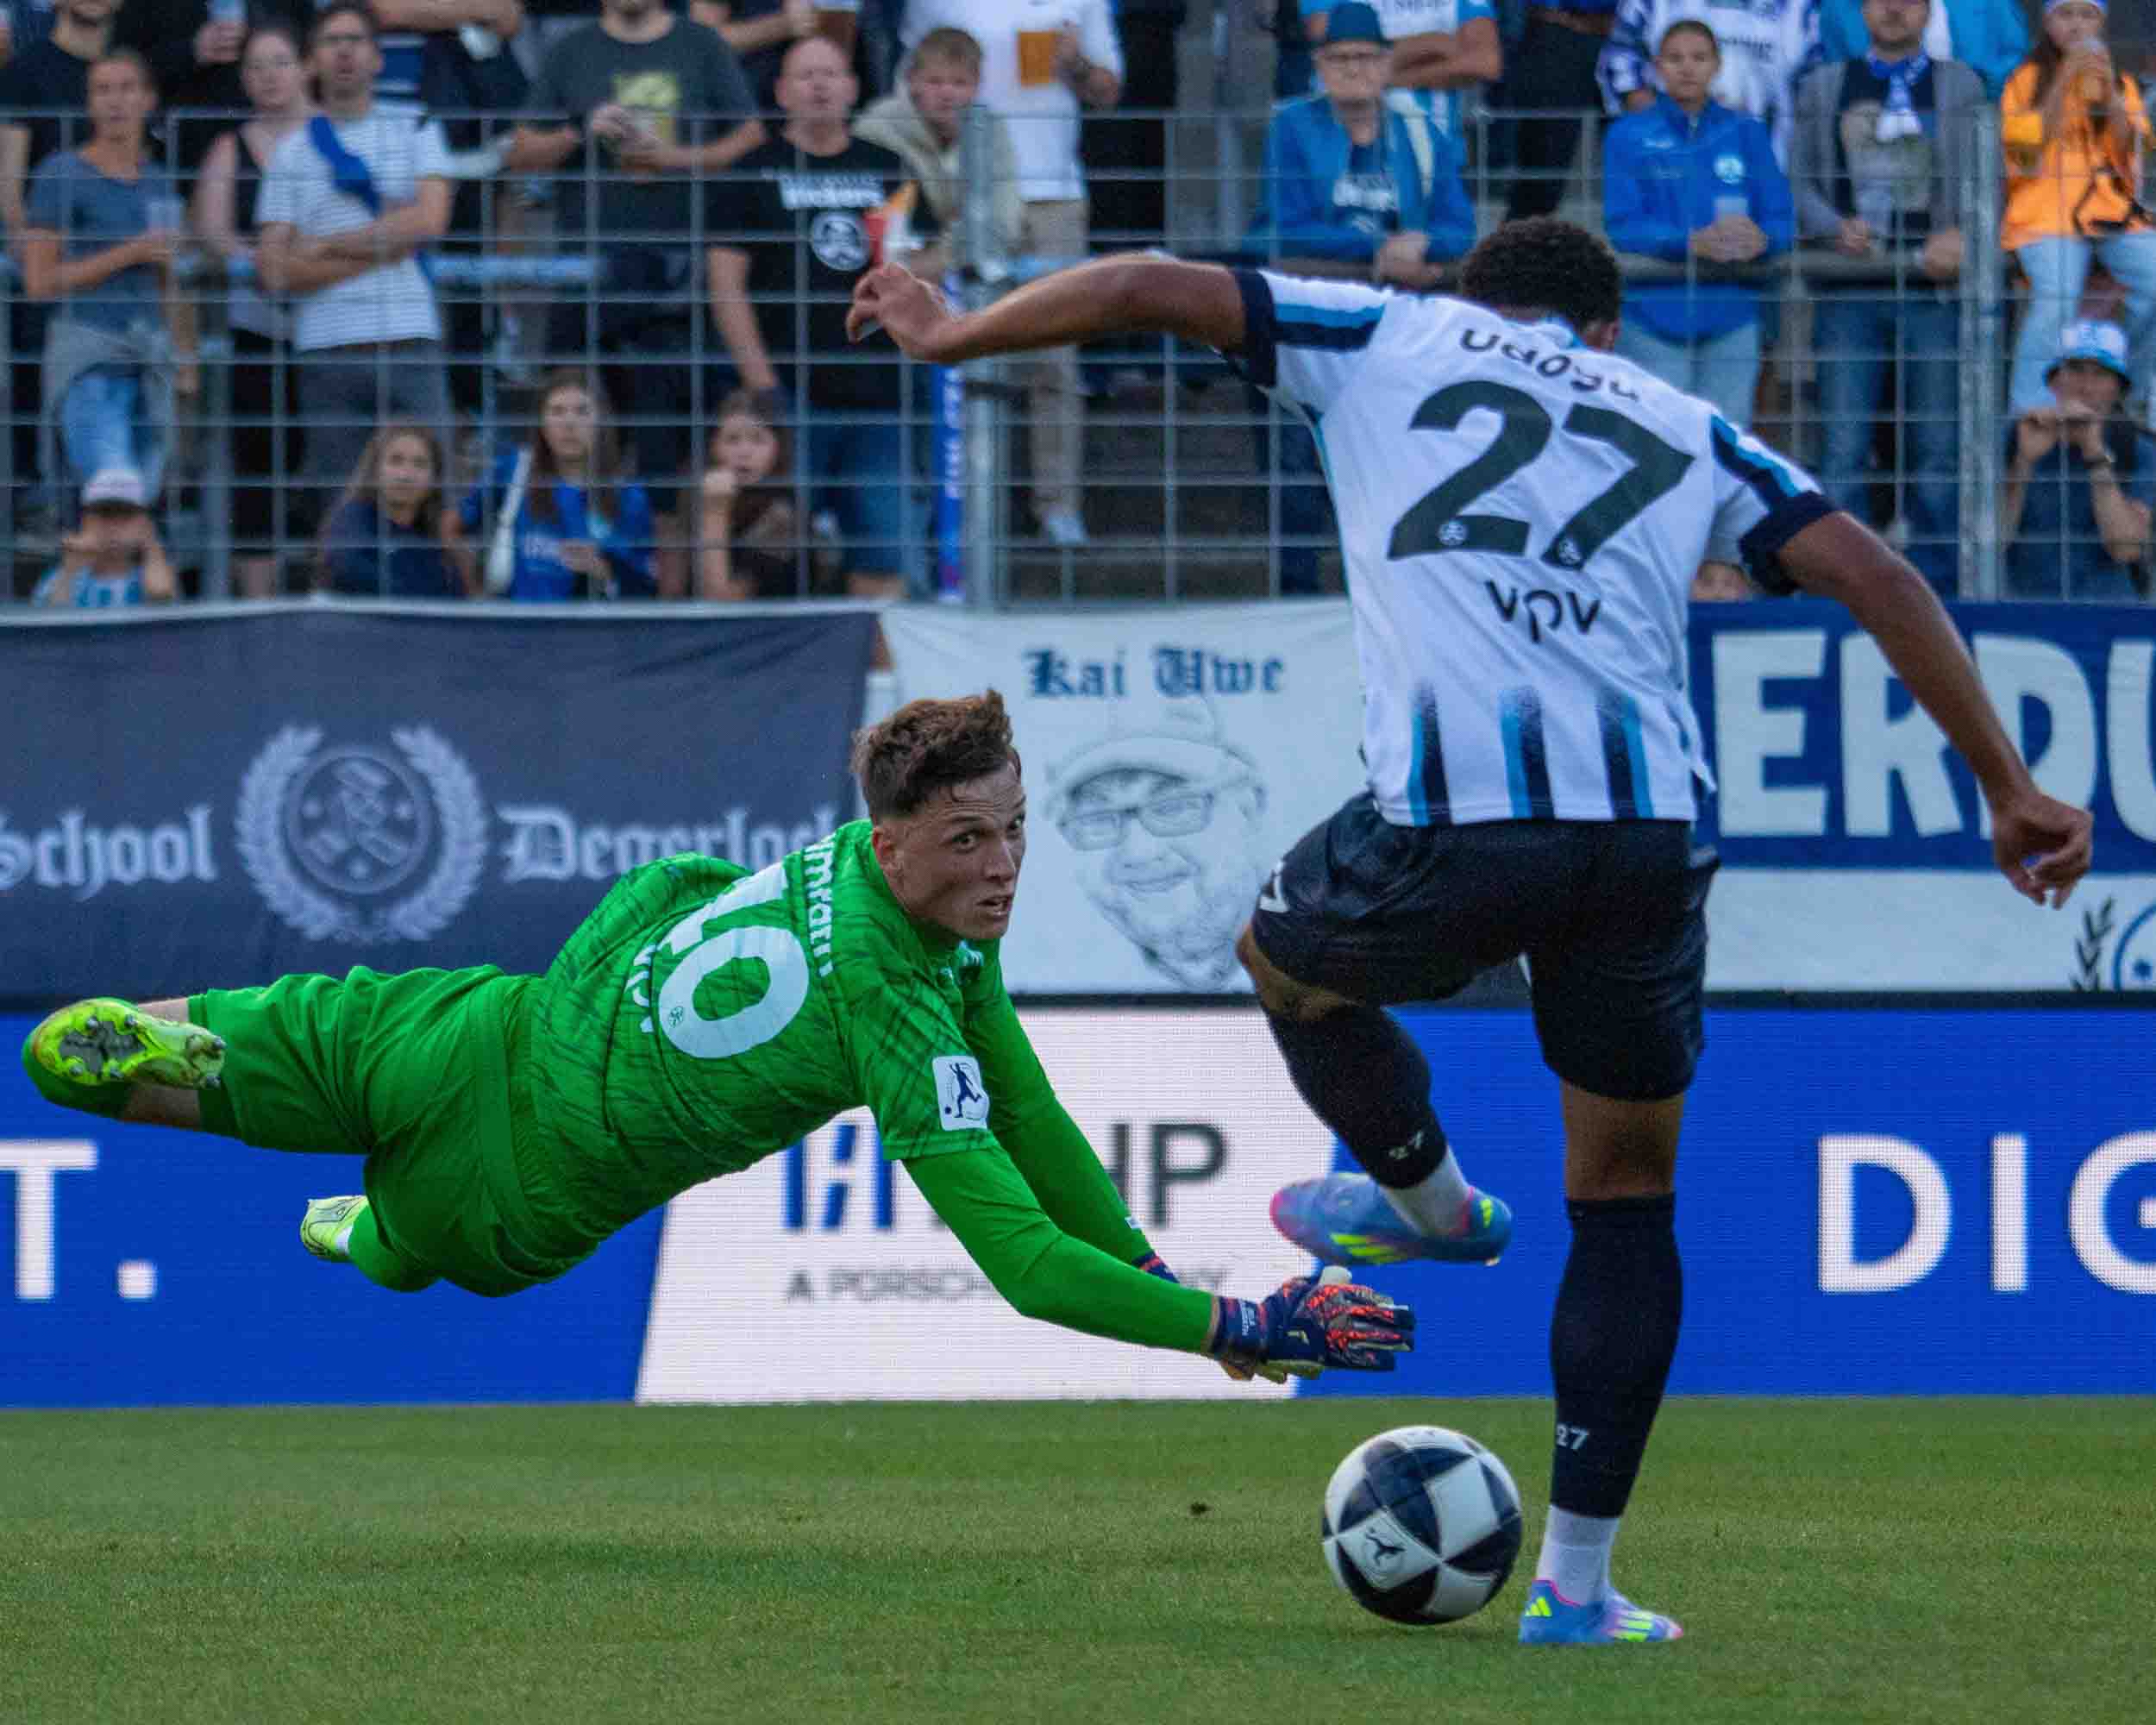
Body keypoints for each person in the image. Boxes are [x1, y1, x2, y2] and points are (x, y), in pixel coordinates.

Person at [845, 216, 2094, 1644]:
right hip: (1645, 837)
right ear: (1605, 330)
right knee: (1625, 1197)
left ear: (1470, 292)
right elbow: (1879, 574)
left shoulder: (1387, 331)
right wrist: (2009, 787)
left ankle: (1429, 1205)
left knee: (1283, 966)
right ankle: (1578, 1587)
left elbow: (1139, 283)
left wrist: (954, 332)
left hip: (1459, 817)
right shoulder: (1680, 420)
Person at [18, 691, 1415, 1389]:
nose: (1002, 865)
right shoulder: (894, 996)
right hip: (518, 1193)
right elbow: (1026, 1265)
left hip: (461, 1025)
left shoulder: (859, 873)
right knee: (404, 1250)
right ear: (898, 844)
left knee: (124, 1060)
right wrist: (1237, 1323)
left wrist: (1156, 1282)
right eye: (968, 840)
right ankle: (357, 1227)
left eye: (1014, 830)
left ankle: (157, 1048)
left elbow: (1024, 1106)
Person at [502, 0, 764, 595]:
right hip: (588, 279)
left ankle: (663, 611)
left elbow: (750, 135)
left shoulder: (701, 44)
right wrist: (580, 130)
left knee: (666, 469)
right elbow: (519, 151)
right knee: (569, 446)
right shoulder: (571, 51)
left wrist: (676, 159)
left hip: (678, 284)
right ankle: (569, 592)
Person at [1246, 0, 1478, 592]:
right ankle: (1296, 595)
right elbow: (1283, 229)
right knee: (1297, 463)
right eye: (1340, 58)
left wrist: (1423, 244)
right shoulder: (1292, 127)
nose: (1354, 69)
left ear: (1388, 64)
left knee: (1388, 462)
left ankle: (1382, 595)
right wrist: (1379, 250)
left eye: (1367, 58)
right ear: (1319, 66)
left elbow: (1461, 227)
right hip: (1306, 319)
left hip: (1393, 326)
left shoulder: (1421, 131)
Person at [707, 33, 926, 598]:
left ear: (853, 88)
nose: (820, 86)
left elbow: (915, 268)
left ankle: (876, 660)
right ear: (782, 91)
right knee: (772, 557)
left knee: (883, 554)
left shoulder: (888, 168)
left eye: (831, 74)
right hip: (787, 396)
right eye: (806, 76)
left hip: (878, 397)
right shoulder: (751, 171)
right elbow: (725, 285)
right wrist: (762, 388)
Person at [899, 0, 1122, 549]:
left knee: (1055, 358)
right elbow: (906, 86)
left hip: (1052, 192)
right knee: (953, 347)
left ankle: (1057, 507)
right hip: (962, 189)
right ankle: (958, 506)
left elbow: (1109, 91)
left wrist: (1075, 65)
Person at [1791, 0, 1982, 593]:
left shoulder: (1962, 84)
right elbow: (1798, 178)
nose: (1894, 9)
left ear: (1929, 13)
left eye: (1909, 0)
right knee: (1842, 447)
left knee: (1938, 450)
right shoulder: (1824, 84)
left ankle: (1938, 593)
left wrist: (1965, 233)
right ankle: (1841, 588)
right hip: (1848, 291)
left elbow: (1989, 175)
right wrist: (1831, 227)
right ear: (1862, 11)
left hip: (1933, 292)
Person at [255, 3, 454, 536]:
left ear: (378, 58)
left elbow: (430, 220)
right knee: (342, 511)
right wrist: (386, 246)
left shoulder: (416, 124)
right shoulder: (290, 152)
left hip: (408, 337)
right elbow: (273, 270)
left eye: (355, 40)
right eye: (331, 41)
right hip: (327, 349)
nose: (344, 52)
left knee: (435, 500)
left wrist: (324, 247)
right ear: (312, 61)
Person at [20, 46, 195, 497]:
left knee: (141, 504)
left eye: (126, 88)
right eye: (102, 90)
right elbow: (39, 282)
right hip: (90, 362)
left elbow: (171, 279)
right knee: (112, 498)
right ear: (89, 102)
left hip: (151, 363)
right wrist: (131, 252)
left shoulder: (159, 180)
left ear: (148, 99)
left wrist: (185, 360)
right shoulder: (61, 173)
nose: (115, 101)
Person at [1602, 20, 1793, 428]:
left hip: (1731, 313)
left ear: (1717, 65)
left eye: (1699, 58)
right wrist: (1689, 242)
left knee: (1725, 444)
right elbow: (1622, 226)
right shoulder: (1627, 135)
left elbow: (1782, 220)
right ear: (1657, 67)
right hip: (1652, 317)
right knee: (1662, 442)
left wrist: (1763, 239)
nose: (1687, 68)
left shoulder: (1747, 132)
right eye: (1675, 59)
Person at [192, 20, 314, 598]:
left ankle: (334, 591)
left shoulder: (333, 137)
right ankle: (259, 604)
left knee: (328, 457)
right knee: (257, 467)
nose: (269, 76)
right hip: (257, 330)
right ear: (242, 79)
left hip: (327, 326)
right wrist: (264, 259)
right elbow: (212, 233)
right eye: (256, 67)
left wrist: (301, 262)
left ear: (305, 67)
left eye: (280, 62)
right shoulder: (229, 147)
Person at [1044, 691, 1272, 990]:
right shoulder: (1066, 971)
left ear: (1247, 806)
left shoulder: (1319, 953)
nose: (1138, 852)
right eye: (1098, 818)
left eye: (1173, 807)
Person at [2000, 0, 2156, 414]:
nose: (2077, 26)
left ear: (2101, 24)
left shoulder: (2120, 81)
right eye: (2065, 15)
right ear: (2047, 22)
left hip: (2112, 213)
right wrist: (2064, 81)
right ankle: (2029, 412)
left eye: (2087, 16)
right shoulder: (2023, 80)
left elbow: (2137, 165)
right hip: (2043, 215)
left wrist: (2113, 99)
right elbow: (2023, 158)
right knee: (2056, 297)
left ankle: (2129, 395)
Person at [462, 368, 657, 599]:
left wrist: (604, 570)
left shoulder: (630, 497)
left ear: (601, 421)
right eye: (557, 411)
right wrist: (475, 595)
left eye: (582, 411)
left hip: (594, 620)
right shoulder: (514, 471)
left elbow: (647, 584)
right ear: (541, 423)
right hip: (521, 619)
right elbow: (452, 526)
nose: (569, 423)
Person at [855, 25, 1024, 279]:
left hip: (972, 267)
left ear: (977, 86)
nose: (947, 93)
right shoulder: (875, 128)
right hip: (892, 267)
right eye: (935, 82)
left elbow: (1005, 220)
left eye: (959, 83)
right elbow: (874, 220)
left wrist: (944, 255)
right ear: (912, 81)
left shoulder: (992, 129)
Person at [2002, 317, 2154, 596]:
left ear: (2118, 389)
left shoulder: (2137, 447)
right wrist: (2023, 463)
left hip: (2109, 609)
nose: (2086, 387)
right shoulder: (2014, 436)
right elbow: (1991, 542)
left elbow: (2125, 549)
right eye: (2075, 370)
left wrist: (2095, 453)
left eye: (2101, 374)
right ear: (2054, 382)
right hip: (2023, 607)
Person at [1599, 0, 1818, 162]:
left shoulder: (1798, 7)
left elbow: (1814, 89)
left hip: (1767, 171)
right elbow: (1620, 65)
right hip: (1665, 175)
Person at [694, 386, 842, 598]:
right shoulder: (698, 491)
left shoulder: (785, 512)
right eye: (732, 440)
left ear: (777, 448)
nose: (744, 452)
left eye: (758, 440)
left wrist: (714, 512)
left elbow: (723, 600)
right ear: (713, 447)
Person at [1300, 0, 1502, 141]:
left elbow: (1485, 63)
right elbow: (1332, 49)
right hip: (1338, 146)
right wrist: (1433, 43)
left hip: (1438, 146)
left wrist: (1374, 79)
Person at [317, 420, 474, 597]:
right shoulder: (352, 521)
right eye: (396, 461)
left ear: (434, 478)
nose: (406, 475)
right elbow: (348, 570)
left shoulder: (438, 538)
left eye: (420, 464)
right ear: (375, 469)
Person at [1814, 0, 2028, 99]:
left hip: (1965, 122)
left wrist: (1977, 88)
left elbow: (2015, 60)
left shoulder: (1991, 4)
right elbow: (1835, 72)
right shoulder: (1839, 7)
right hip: (1864, 125)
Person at [31, 462, 176, 604]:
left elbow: (161, 596)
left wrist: (150, 544)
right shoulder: (61, 577)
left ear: (143, 522)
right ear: (86, 520)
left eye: (126, 514)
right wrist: (70, 570)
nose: (114, 524)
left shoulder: (152, 574)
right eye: (105, 513)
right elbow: (52, 616)